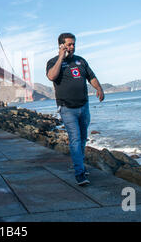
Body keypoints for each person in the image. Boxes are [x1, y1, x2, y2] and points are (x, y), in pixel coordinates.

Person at [46, 32, 104, 186]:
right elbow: (52, 76)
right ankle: (80, 173)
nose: (72, 47)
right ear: (61, 45)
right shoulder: (53, 62)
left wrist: (99, 88)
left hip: (84, 107)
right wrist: (60, 57)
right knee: (75, 139)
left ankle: (80, 166)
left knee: (83, 138)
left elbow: (91, 77)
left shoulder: (81, 61)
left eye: (73, 44)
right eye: (69, 44)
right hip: (67, 108)